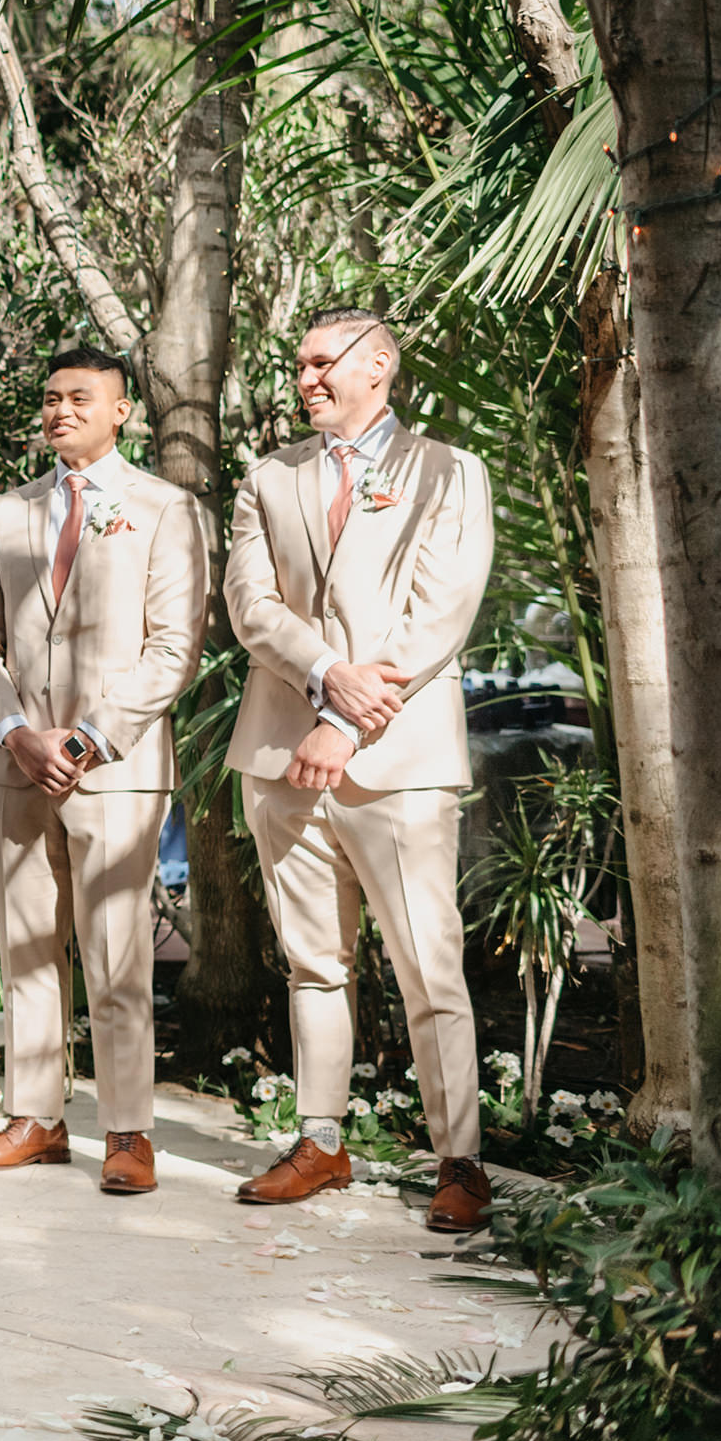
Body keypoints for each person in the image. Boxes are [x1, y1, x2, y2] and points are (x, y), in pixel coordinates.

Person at [225, 307, 495, 1233]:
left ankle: (458, 1158)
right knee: (312, 964)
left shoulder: (449, 471)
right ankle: (319, 1141)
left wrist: (343, 715)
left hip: (399, 756)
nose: (301, 379)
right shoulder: (268, 477)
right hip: (278, 753)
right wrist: (321, 672)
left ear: (376, 363)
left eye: (317, 362)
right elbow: (248, 602)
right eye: (295, 365)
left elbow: (442, 611)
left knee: (428, 963)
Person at [0, 348, 211, 1197]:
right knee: (25, 946)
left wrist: (88, 737)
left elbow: (174, 647)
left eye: (80, 398)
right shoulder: (8, 512)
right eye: (51, 398)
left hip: (114, 766)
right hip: (16, 764)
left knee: (115, 951)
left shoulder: (164, 509)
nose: (60, 410)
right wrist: (19, 731)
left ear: (121, 411)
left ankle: (127, 1130)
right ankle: (35, 1118)